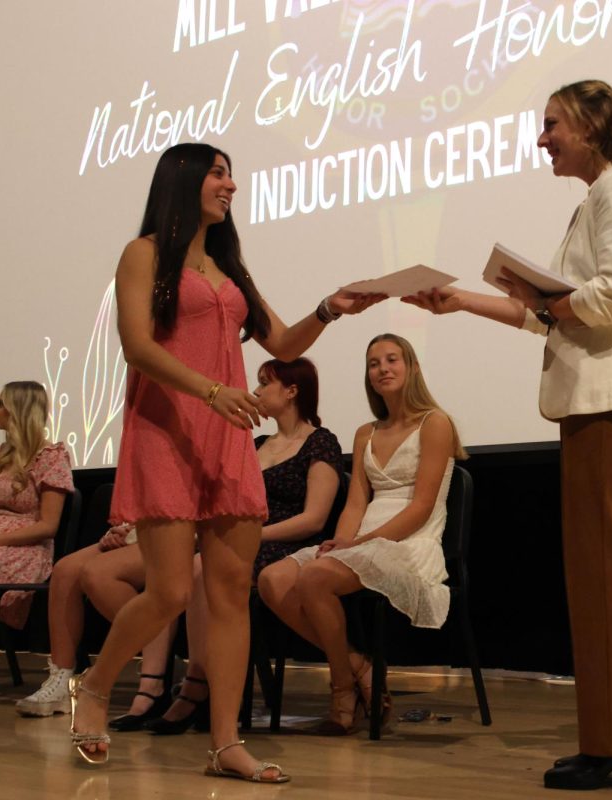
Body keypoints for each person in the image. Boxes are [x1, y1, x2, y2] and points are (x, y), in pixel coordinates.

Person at [66, 141, 381, 781]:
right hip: (166, 433)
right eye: (217, 173)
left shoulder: (229, 267)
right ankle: (95, 686)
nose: (230, 185)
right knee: (171, 591)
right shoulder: (144, 254)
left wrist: (329, 308)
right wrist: (212, 391)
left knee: (230, 593)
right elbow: (135, 346)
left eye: (231, 174)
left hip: (227, 440)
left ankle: (225, 745)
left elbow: (284, 341)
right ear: (183, 179)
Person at [404, 79, 612, 790]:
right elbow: (558, 314)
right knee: (593, 577)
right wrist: (466, 300)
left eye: (553, 124)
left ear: (592, 125)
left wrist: (552, 299)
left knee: (605, 574)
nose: (542, 139)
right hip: (597, 401)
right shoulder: (602, 195)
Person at [258, 333, 465, 736]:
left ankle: (341, 693)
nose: (383, 369)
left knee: (314, 578)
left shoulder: (435, 423)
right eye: (374, 363)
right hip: (361, 541)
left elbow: (421, 506)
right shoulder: (366, 432)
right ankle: (361, 669)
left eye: (392, 360)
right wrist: (341, 542)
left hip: (410, 540)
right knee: (272, 579)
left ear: (412, 368)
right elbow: (355, 504)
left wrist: (358, 545)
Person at [146, 356, 342, 735]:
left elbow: (313, 519)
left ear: (291, 391)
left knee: (206, 567)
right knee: (184, 570)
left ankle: (197, 687)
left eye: (264, 384)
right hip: (244, 541)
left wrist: (250, 536)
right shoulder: (257, 443)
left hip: (288, 545)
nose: (254, 391)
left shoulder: (321, 442)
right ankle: (197, 685)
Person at [14, 521, 178, 731]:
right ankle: (62, 679)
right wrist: (118, 530)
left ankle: (154, 674)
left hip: (175, 530)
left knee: (98, 573)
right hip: (141, 527)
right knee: (66, 570)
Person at [0, 382, 74, 632]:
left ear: (18, 410)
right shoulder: (5, 454)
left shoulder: (52, 456)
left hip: (25, 551)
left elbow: (48, 526)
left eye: (1, 404)